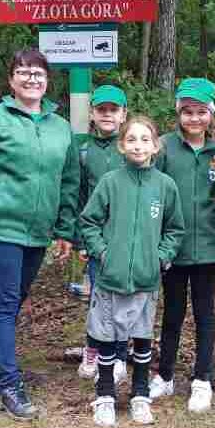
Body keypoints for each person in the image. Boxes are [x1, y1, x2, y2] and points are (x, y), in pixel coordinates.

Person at [0, 49, 79, 421]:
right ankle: (9, 385)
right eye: (23, 73)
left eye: (38, 73)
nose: (31, 79)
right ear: (11, 80)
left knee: (15, 298)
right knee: (6, 301)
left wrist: (65, 229)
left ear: (47, 80)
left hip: (38, 231)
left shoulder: (60, 126)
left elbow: (69, 181)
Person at [79, 115, 185, 428]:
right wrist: (103, 252)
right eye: (131, 140)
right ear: (122, 146)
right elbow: (89, 220)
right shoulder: (111, 182)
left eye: (144, 140)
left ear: (155, 146)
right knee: (107, 339)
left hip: (146, 278)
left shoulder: (165, 186)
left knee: (141, 339)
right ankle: (105, 396)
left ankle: (140, 395)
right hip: (111, 278)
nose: (138, 145)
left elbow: (175, 228)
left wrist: (160, 257)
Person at [149, 78, 215, 413]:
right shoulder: (165, 147)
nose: (194, 118)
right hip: (172, 246)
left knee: (204, 313)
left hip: (208, 247)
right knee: (172, 311)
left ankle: (203, 378)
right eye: (187, 112)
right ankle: (165, 374)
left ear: (211, 115)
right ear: (179, 113)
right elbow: (151, 189)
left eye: (201, 112)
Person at [75, 85, 128, 383]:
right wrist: (80, 239)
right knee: (99, 297)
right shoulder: (83, 149)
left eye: (113, 110)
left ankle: (120, 354)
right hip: (97, 238)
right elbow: (79, 195)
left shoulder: (131, 146)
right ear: (92, 113)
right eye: (102, 109)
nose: (107, 115)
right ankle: (93, 348)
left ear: (123, 114)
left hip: (128, 237)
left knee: (124, 298)